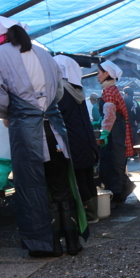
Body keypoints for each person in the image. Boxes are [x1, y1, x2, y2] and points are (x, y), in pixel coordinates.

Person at [0, 14, 87, 258]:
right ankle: (72, 241)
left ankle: (46, 244)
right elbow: (58, 92)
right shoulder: (43, 53)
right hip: (55, 129)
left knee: (31, 186)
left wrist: (11, 113)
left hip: (26, 130)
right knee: (60, 184)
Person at [53, 55, 100, 224]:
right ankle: (95, 213)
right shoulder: (78, 90)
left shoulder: (61, 90)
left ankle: (88, 215)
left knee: (80, 178)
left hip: (72, 140)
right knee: (88, 177)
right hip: (86, 139)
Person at [95, 60, 136, 207]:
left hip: (115, 133)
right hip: (117, 131)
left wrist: (104, 131)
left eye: (99, 73)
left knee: (113, 164)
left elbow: (110, 115)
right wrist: (100, 122)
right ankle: (120, 192)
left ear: (106, 74)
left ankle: (119, 194)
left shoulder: (109, 90)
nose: (97, 76)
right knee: (113, 163)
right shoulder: (113, 89)